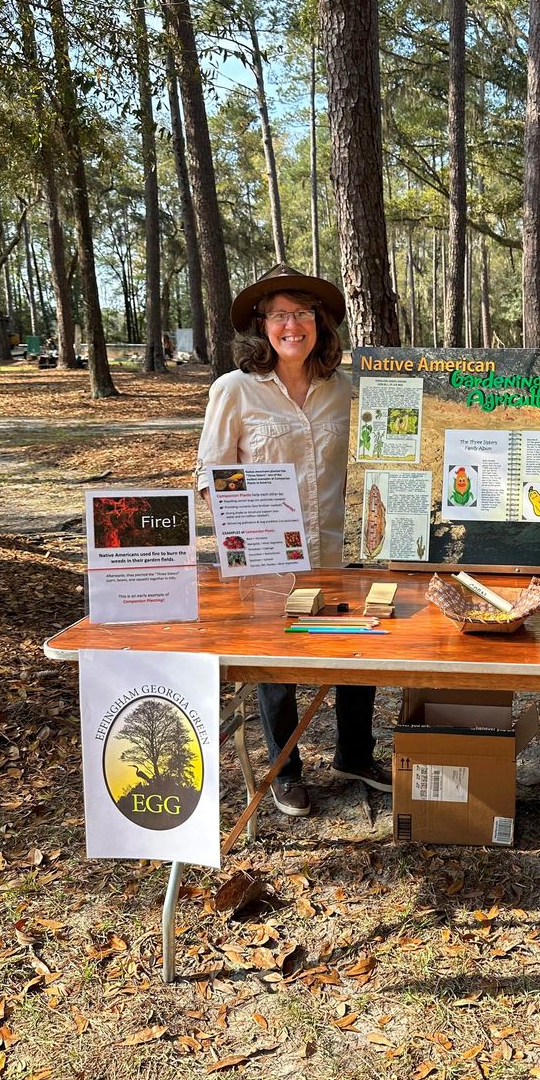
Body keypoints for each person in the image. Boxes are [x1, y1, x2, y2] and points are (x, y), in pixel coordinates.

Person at [195, 262, 389, 816]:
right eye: (278, 314)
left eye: (302, 313)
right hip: (265, 558)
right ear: (261, 325)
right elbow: (210, 474)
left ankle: (355, 754)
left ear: (319, 322)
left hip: (337, 553)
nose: (291, 325)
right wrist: (243, 507)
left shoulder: (343, 389)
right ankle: (286, 770)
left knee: (356, 653)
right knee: (276, 667)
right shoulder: (234, 390)